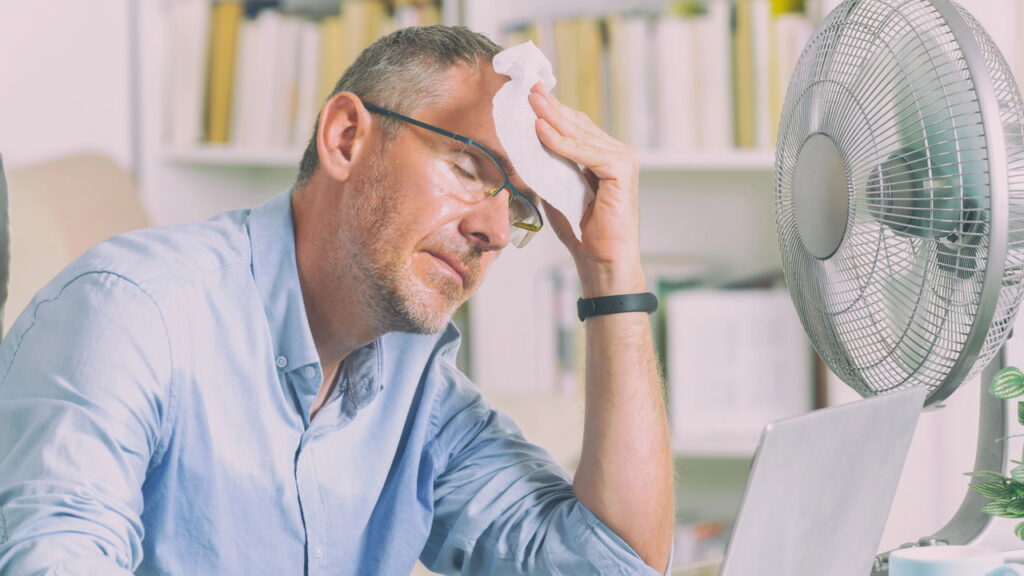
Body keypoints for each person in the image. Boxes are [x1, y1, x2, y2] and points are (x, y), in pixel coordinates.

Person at [0, 26, 672, 575]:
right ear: (346, 138)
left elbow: (609, 566)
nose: (493, 231)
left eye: (520, 207)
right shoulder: (132, 312)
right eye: (470, 170)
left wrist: (611, 270)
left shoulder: (418, 386)